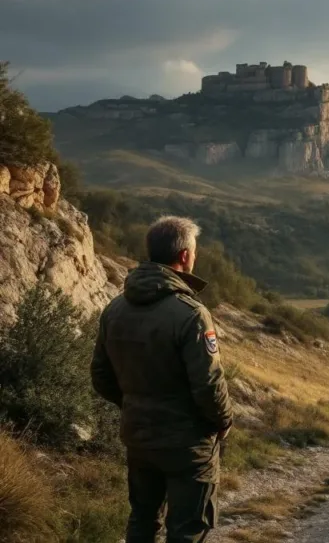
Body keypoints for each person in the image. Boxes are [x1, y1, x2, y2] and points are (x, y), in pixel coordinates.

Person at [91, 216, 233, 543]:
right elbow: (208, 384)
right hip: (188, 444)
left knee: (142, 520)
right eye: (194, 252)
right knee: (187, 528)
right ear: (184, 256)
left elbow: (100, 375)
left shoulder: (115, 309)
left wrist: (135, 404)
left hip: (139, 436)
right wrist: (223, 420)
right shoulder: (190, 313)